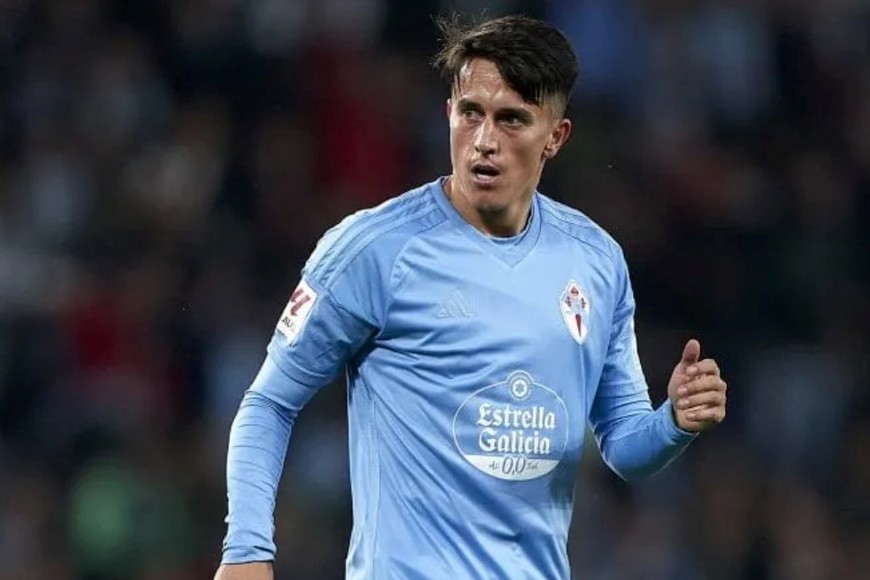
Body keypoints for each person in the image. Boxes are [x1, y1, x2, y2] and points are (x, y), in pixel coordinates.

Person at [214, 14, 727, 580]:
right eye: (471, 113)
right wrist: (246, 551)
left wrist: (674, 421)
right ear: (448, 114)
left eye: (512, 119)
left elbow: (624, 446)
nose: (484, 141)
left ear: (555, 137)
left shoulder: (596, 262)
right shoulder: (374, 250)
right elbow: (269, 403)